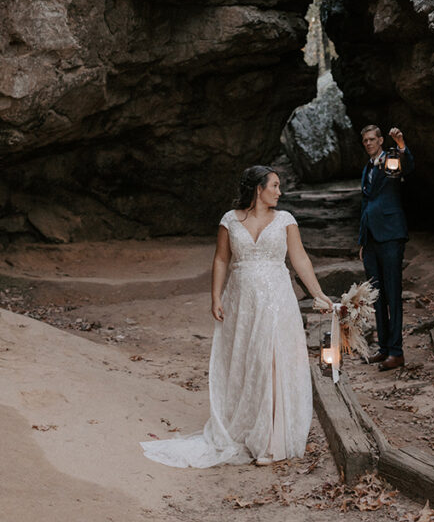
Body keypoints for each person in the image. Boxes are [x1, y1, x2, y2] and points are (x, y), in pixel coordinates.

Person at [141, 165, 332, 468]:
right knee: (250, 361)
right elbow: (220, 259)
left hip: (277, 301)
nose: (280, 192)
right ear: (259, 189)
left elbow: (300, 259)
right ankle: (248, 429)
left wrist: (318, 293)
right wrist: (215, 296)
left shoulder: (285, 220)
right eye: (275, 186)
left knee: (273, 361)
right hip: (242, 302)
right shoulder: (229, 221)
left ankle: (271, 440)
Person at [359, 125, 414, 371]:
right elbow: (365, 205)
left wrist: (401, 145)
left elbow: (408, 166)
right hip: (371, 239)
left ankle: (396, 352)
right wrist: (362, 242)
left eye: (372, 139)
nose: (369, 143)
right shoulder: (367, 168)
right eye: (365, 141)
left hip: (391, 235)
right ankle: (383, 348)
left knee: (392, 293)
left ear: (381, 140)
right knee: (377, 295)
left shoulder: (391, 158)